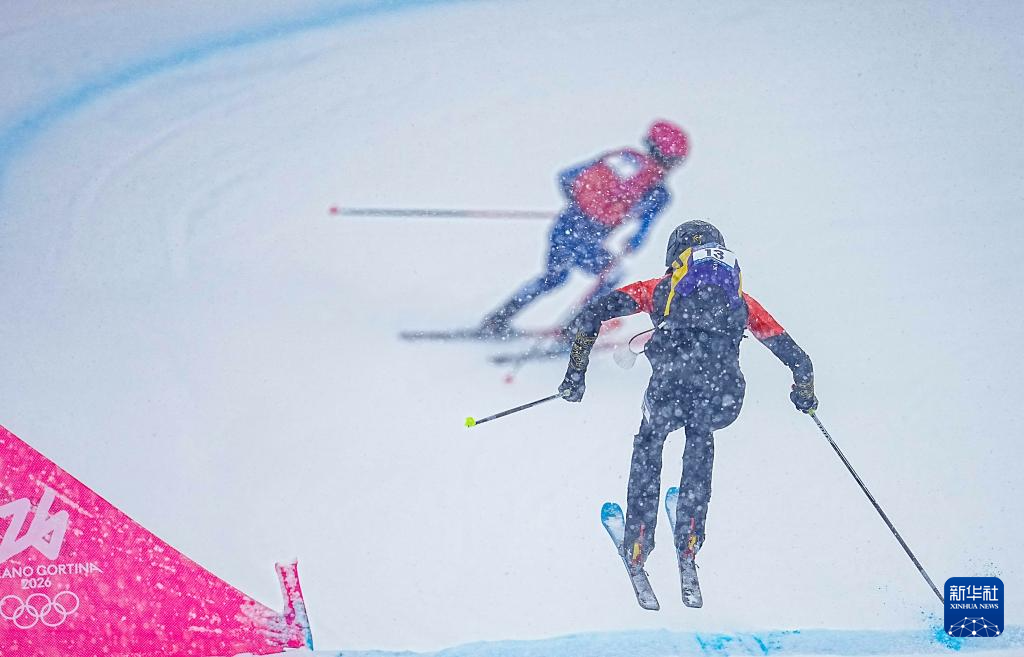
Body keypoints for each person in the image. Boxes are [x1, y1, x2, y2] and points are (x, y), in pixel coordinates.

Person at [557, 219, 817, 607]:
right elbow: (800, 361)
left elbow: (591, 315)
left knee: (650, 443)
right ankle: (691, 537)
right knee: (701, 439)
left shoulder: (656, 290)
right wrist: (804, 394)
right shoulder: (742, 303)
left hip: (669, 391)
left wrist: (575, 375)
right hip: (723, 395)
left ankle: (638, 541)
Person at [479, 120, 690, 335]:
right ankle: (575, 329)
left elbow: (565, 177)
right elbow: (639, 238)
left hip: (564, 227)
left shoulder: (622, 157)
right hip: (587, 239)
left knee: (552, 278)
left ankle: (497, 320)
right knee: (612, 274)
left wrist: (580, 207)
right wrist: (626, 238)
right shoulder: (659, 194)